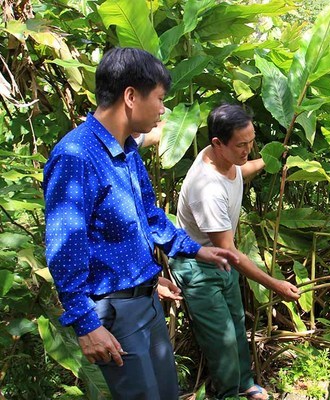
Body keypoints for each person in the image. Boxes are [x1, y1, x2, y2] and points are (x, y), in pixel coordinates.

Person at [43, 47, 239, 400]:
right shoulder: (76, 156)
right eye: (160, 99)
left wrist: (197, 251)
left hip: (145, 302)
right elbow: (64, 249)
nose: (163, 110)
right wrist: (87, 326)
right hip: (113, 314)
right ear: (131, 96)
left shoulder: (127, 150)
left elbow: (149, 218)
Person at [170, 103, 300, 400]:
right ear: (218, 143)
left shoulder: (225, 160)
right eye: (242, 144)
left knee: (237, 323)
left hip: (222, 260)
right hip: (198, 266)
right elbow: (228, 251)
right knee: (221, 338)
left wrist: (270, 158)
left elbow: (243, 169)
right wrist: (274, 284)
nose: (248, 149)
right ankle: (226, 393)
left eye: (251, 141)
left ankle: (243, 382)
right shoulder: (207, 188)